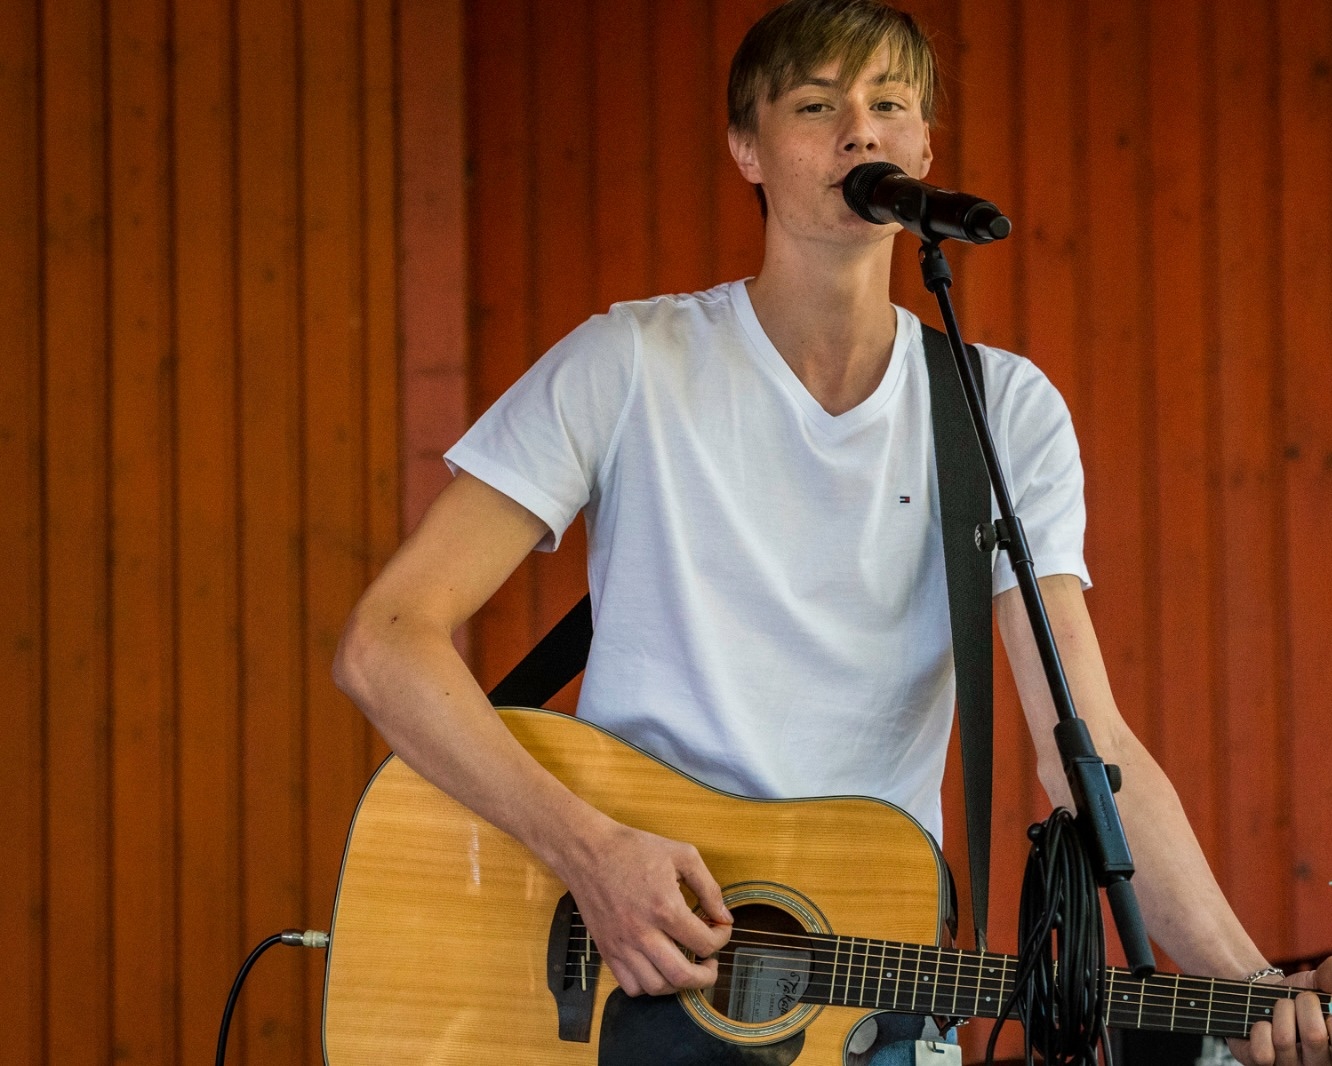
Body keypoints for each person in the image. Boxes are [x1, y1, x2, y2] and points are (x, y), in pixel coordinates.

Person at [333, 1, 1332, 1062]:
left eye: (889, 104)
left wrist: (1251, 987)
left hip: (866, 993)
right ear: (747, 148)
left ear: (924, 151)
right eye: (817, 105)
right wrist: (588, 851)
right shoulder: (628, 362)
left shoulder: (1000, 411)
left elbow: (1087, 744)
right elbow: (385, 642)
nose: (860, 131)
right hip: (619, 966)